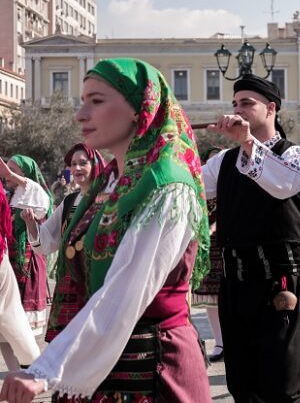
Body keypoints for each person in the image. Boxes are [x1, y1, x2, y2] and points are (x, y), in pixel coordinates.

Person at [0, 58, 211, 402]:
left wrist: (45, 372)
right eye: (83, 101)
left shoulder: (167, 185)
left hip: (151, 369)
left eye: (97, 101)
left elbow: (126, 290)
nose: (81, 114)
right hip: (98, 365)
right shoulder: (109, 181)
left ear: (138, 108)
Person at [202, 73, 300, 402]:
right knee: (243, 387)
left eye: (247, 104)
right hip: (236, 287)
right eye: (235, 104)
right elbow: (187, 185)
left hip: (280, 284)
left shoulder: (294, 156)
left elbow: (284, 184)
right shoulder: (223, 162)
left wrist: (248, 142)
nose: (238, 110)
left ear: (271, 108)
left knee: (282, 386)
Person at [20, 143, 105, 343]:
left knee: (93, 343)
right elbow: (47, 242)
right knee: (68, 345)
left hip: (97, 279)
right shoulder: (70, 202)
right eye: (73, 164)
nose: (76, 168)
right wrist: (31, 223)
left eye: (83, 163)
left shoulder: (107, 200)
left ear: (96, 165)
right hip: (70, 281)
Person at [0, 155, 51, 372]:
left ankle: (32, 369)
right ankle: (17, 373)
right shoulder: (8, 196)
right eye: (6, 169)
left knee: (19, 323)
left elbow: (42, 202)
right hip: (7, 261)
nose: (7, 174)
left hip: (26, 264)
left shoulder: (33, 195)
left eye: (13, 170)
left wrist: (11, 176)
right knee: (4, 328)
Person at [191, 146, 225, 362]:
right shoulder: (199, 188)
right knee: (211, 299)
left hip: (229, 245)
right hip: (208, 246)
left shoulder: (231, 186)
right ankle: (220, 342)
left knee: (231, 297)